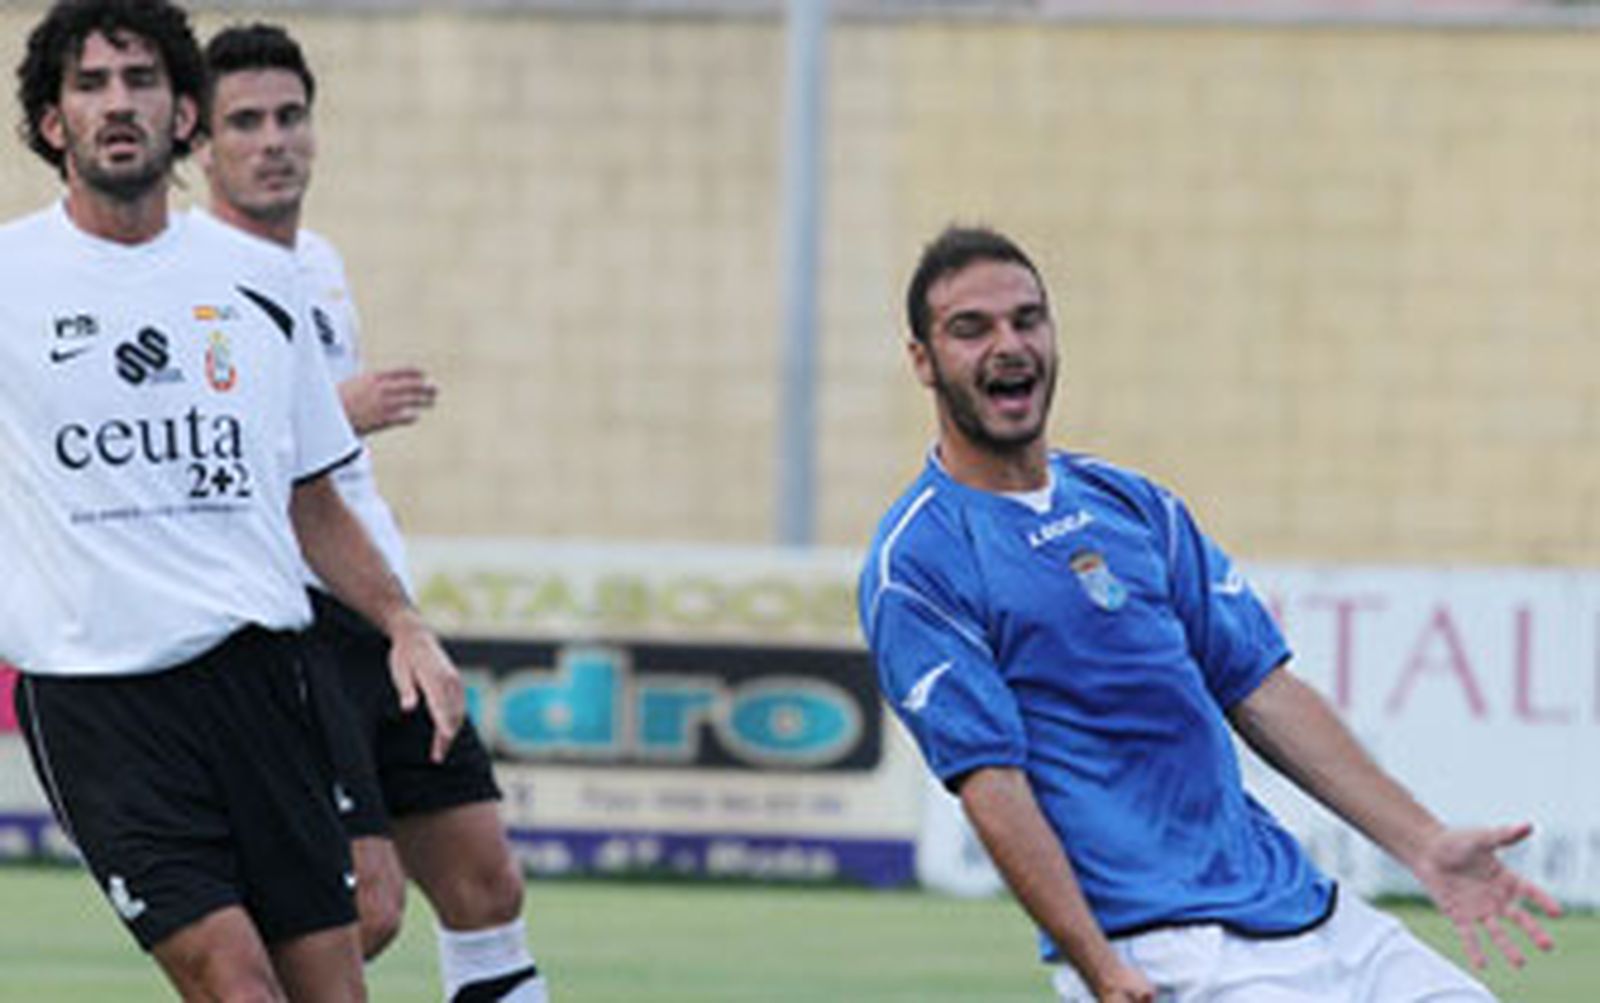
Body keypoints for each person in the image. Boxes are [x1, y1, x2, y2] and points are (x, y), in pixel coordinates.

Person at [857, 225, 1562, 1002]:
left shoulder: (1133, 504)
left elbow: (1262, 687)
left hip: (1306, 909)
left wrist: (1424, 842)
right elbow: (993, 783)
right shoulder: (919, 560)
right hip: (1160, 948)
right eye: (971, 328)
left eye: (1028, 319)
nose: (1009, 343)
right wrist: (1098, 965)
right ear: (922, 361)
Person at [1, 1, 466, 999]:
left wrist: (403, 623)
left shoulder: (261, 282)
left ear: (183, 118)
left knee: (331, 988)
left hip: (263, 681)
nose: (116, 103)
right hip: (99, 699)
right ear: (52, 123)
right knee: (235, 981)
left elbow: (313, 495)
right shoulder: (8, 282)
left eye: (141, 81)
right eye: (89, 85)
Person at [195, 23, 547, 1003]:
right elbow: (200, 467)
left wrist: (400, 613)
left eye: (290, 116)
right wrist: (334, 415)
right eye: (247, 122)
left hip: (375, 614)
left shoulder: (320, 263)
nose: (274, 140)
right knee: (367, 906)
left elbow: (329, 476)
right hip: (285, 625)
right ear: (201, 143)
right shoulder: (192, 280)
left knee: (485, 881)